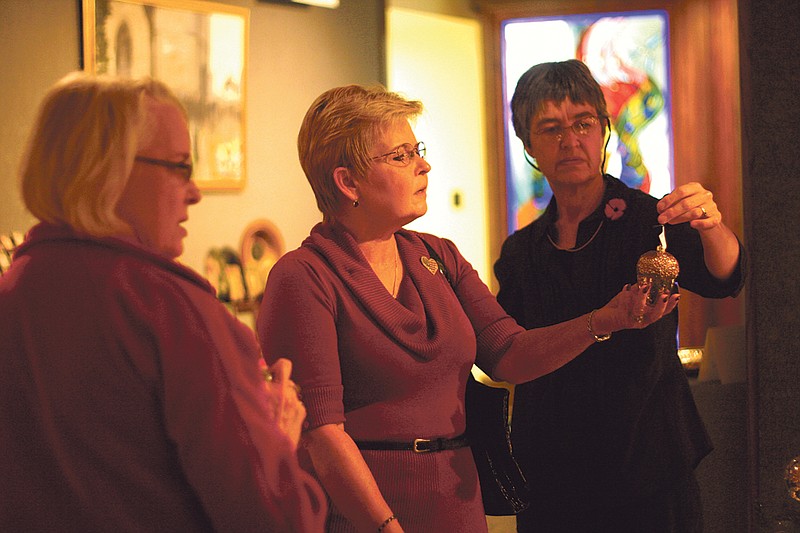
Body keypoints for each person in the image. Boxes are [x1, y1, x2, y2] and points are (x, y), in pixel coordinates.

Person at [256, 84, 681, 533]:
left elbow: (509, 354)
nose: (424, 165)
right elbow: (321, 433)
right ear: (347, 182)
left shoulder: (438, 256)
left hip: (456, 505)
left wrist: (608, 319)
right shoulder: (304, 277)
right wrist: (385, 527)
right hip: (361, 517)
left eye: (416, 150)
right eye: (401, 156)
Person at [0, 72, 326, 532]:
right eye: (179, 166)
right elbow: (277, 521)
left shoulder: (15, 291)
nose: (194, 192)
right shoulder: (174, 312)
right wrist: (275, 440)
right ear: (106, 169)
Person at [495, 59, 746, 532]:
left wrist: (711, 226)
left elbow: (725, 277)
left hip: (648, 459)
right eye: (550, 129)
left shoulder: (650, 220)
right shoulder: (521, 251)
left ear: (605, 130)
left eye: (583, 123)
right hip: (554, 470)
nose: (570, 141)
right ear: (528, 145)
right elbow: (507, 351)